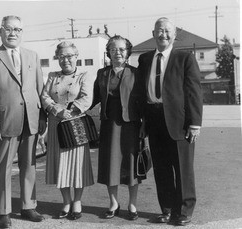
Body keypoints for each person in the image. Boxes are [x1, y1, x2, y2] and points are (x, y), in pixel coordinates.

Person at [0, 15, 47, 228]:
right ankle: (3, 212)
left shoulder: (32, 56)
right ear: (1, 31)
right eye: (8, 29)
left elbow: (40, 89)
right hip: (5, 120)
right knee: (2, 167)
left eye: (17, 29)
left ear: (22, 33)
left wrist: (43, 117)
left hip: (31, 119)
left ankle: (28, 206)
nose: (13, 33)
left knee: (30, 165)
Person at [137, 17, 203, 226]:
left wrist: (195, 123)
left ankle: (184, 211)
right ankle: (166, 209)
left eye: (167, 31)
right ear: (153, 33)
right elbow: (140, 91)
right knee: (162, 169)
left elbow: (194, 93)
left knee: (183, 169)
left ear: (174, 35)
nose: (163, 34)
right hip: (154, 121)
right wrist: (142, 121)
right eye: (159, 31)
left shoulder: (185, 58)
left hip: (179, 122)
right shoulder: (145, 59)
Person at [90, 35, 144, 221]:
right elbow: (94, 99)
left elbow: (143, 101)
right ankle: (113, 203)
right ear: (108, 52)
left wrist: (145, 124)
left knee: (131, 167)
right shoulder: (101, 73)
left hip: (131, 126)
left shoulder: (136, 73)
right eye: (114, 49)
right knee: (110, 166)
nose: (118, 52)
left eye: (121, 49)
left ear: (128, 52)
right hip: (109, 126)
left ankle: (132, 204)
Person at [41, 41, 94, 220]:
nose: (66, 60)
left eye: (69, 56)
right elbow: (44, 96)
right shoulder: (52, 76)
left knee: (78, 165)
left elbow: (87, 98)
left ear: (76, 56)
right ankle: (66, 201)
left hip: (76, 123)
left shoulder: (84, 75)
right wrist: (57, 110)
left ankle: (77, 201)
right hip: (56, 124)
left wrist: (71, 112)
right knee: (60, 165)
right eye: (61, 56)